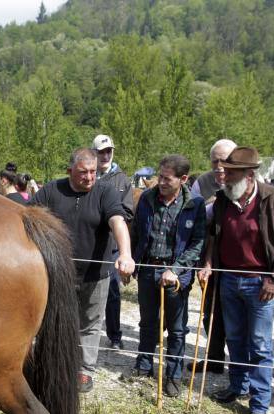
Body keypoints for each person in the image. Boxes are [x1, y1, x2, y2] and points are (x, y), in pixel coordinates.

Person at [199, 147, 274, 414]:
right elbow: (214, 238)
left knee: (260, 344)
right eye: (224, 171)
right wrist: (207, 264)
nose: (225, 176)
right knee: (235, 338)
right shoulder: (222, 201)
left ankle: (259, 404)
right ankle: (237, 386)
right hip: (228, 280)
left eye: (231, 173)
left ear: (249, 175)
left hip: (260, 283)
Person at [32, 148, 135, 392]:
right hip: (58, 274)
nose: (89, 177)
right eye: (83, 172)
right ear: (70, 171)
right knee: (55, 321)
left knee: (90, 323)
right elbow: (29, 217)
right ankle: (53, 364)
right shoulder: (51, 190)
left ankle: (85, 370)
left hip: (95, 274)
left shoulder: (105, 192)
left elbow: (117, 222)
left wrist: (126, 253)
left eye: (93, 172)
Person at [129, 155, 206, 396]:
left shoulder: (194, 204)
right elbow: (137, 232)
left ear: (183, 179)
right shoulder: (147, 198)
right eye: (159, 176)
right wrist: (131, 260)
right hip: (148, 269)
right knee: (147, 323)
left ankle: (173, 375)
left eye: (166, 178)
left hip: (176, 275)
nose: (160, 182)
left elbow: (197, 244)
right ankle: (143, 366)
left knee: (177, 328)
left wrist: (175, 269)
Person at [187, 139, 237, 375]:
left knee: (238, 315)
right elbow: (196, 214)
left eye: (224, 160)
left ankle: (240, 368)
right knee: (210, 309)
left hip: (239, 258)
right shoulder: (203, 182)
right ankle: (214, 358)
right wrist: (214, 207)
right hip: (210, 253)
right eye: (215, 160)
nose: (219, 166)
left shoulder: (249, 180)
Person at [93, 134, 134, 352]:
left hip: (111, 244)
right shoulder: (90, 176)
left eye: (109, 151)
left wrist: (108, 217)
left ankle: (115, 335)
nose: (106, 155)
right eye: (101, 152)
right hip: (88, 243)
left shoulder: (122, 180)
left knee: (112, 293)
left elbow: (127, 212)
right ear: (95, 154)